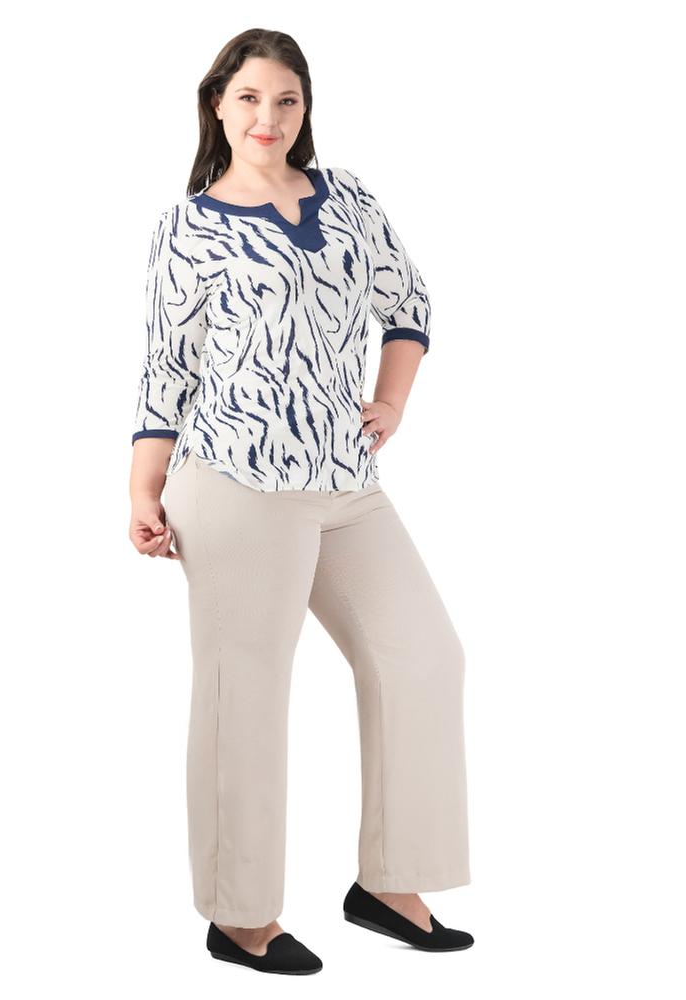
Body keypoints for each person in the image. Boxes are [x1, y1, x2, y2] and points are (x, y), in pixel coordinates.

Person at [129, 29, 473, 975]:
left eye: (285, 99)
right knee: (244, 693)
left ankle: (391, 884)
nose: (268, 117)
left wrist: (391, 402)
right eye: (248, 99)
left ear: (305, 108)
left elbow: (408, 305)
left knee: (423, 654)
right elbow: (166, 370)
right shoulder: (187, 227)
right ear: (217, 106)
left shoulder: (348, 197)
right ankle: (239, 917)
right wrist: (143, 489)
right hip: (234, 481)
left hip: (345, 481)